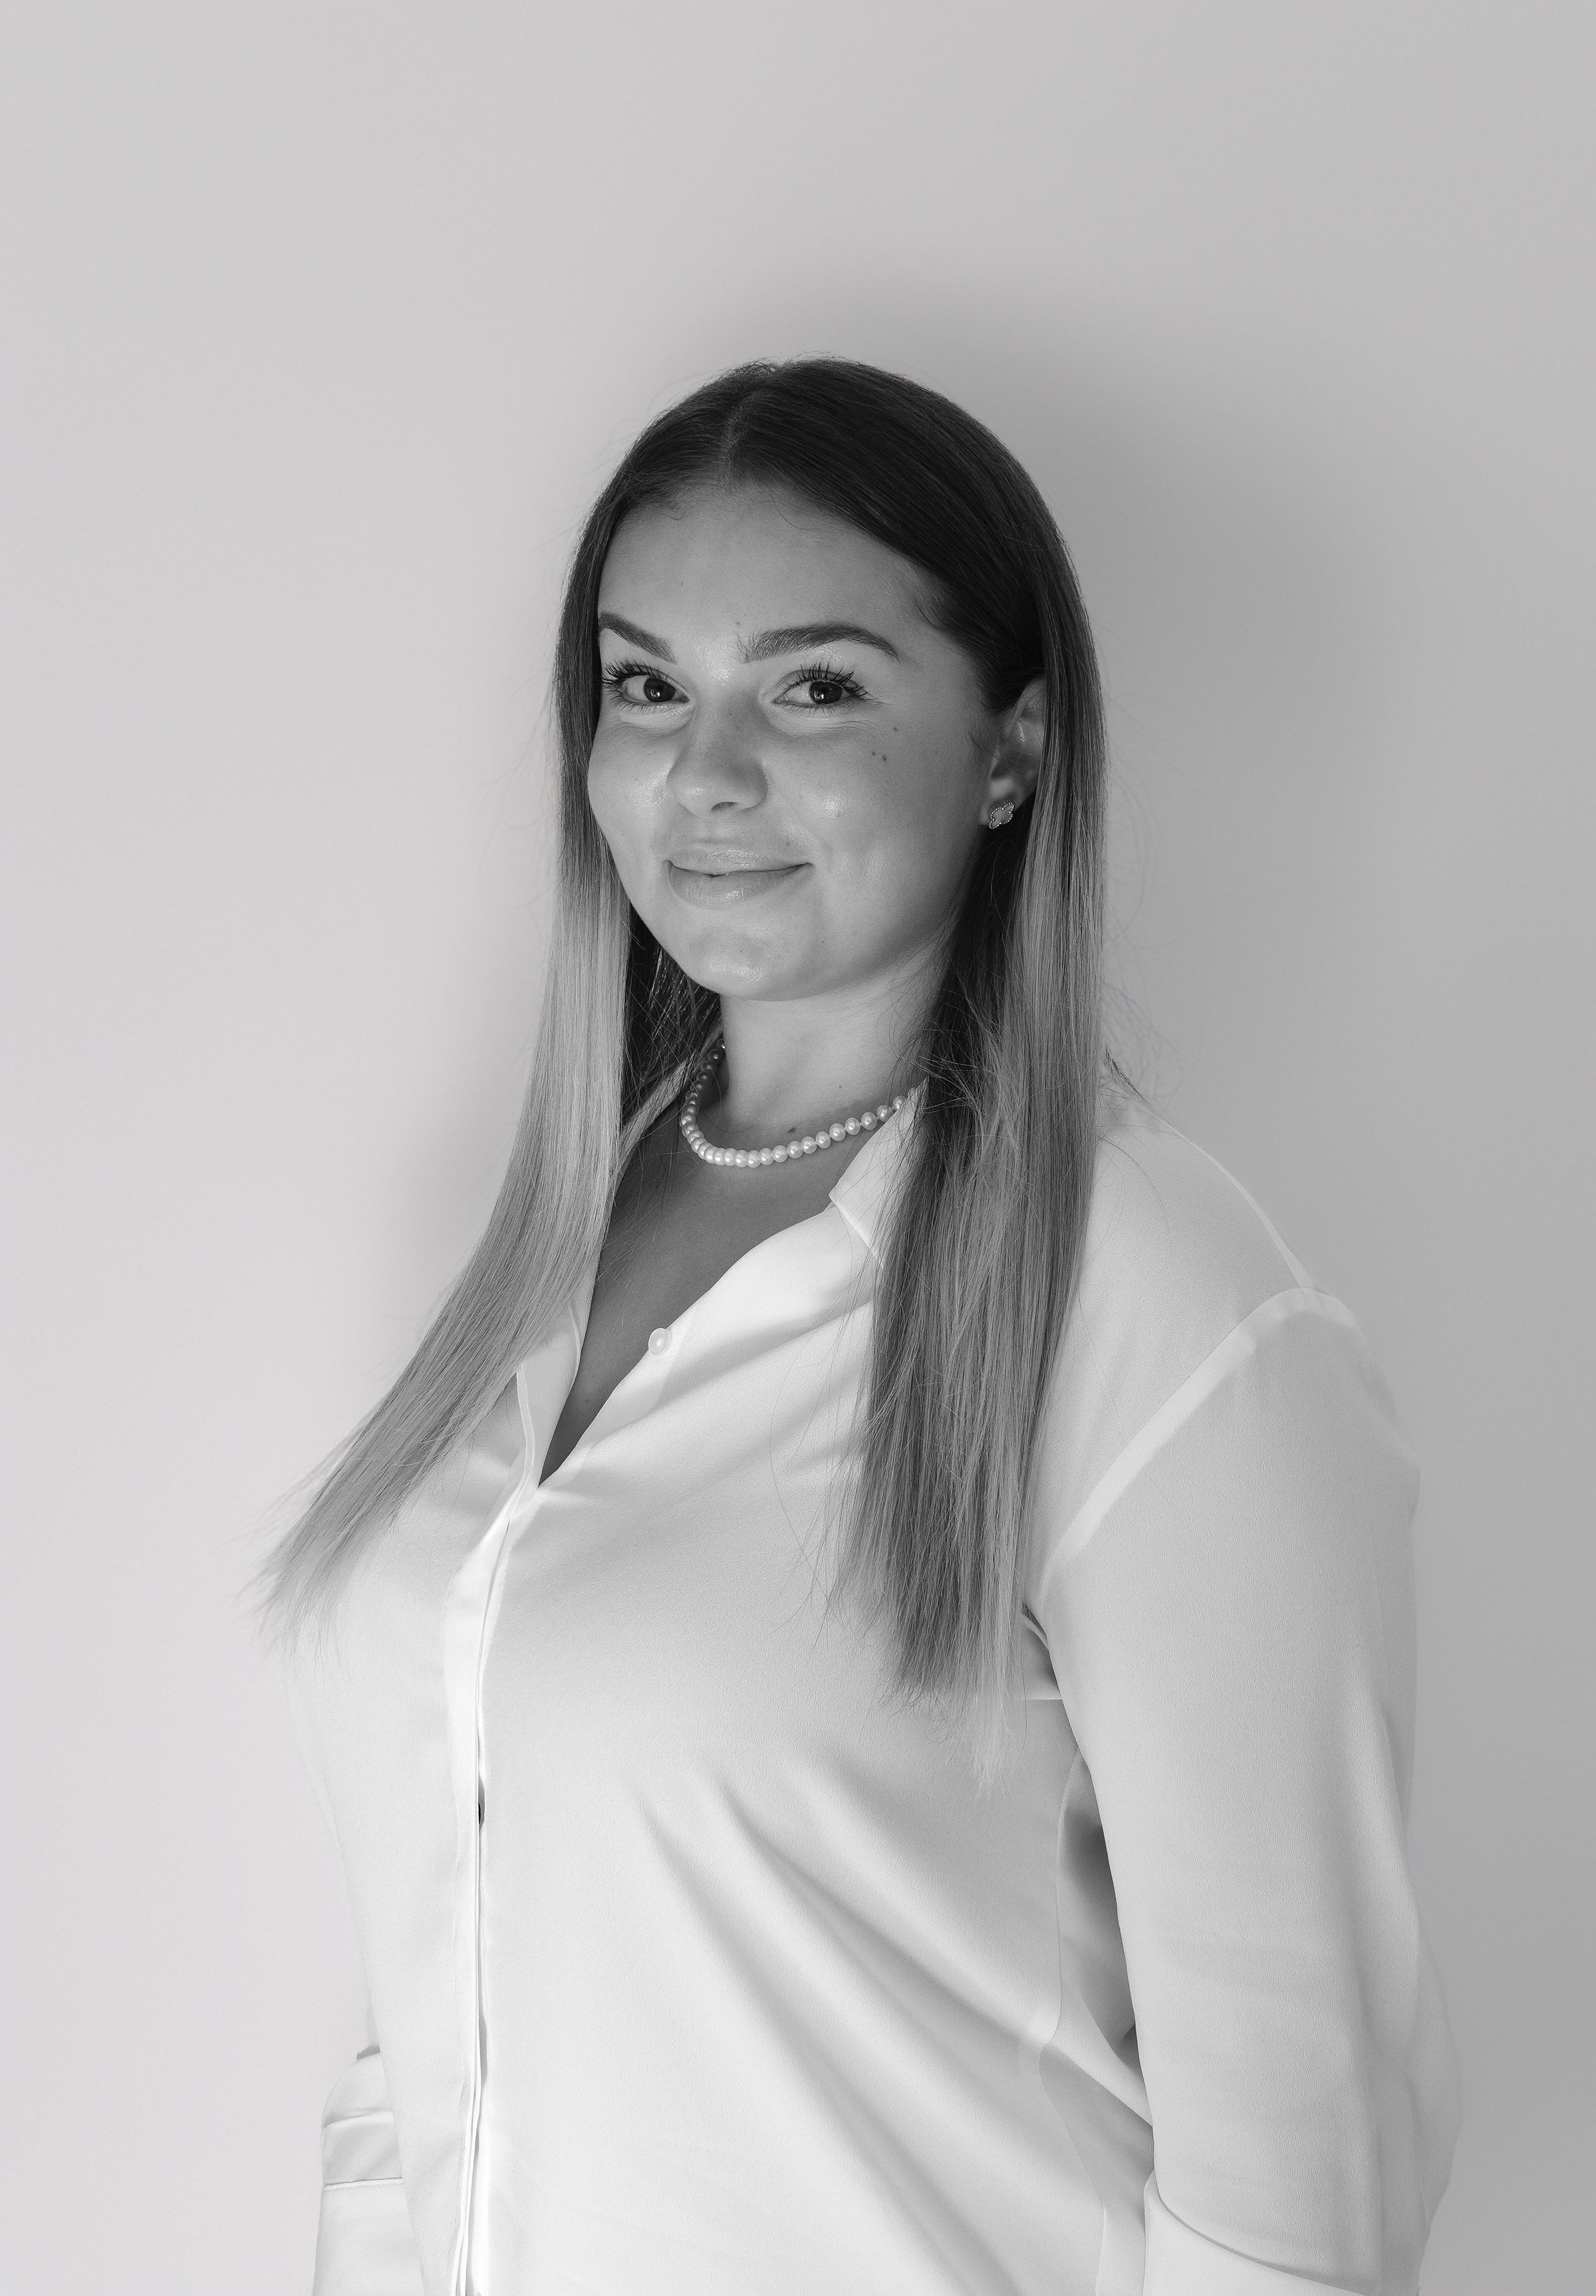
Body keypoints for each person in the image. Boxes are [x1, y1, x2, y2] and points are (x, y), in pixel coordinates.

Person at [253, 357, 1460, 2295]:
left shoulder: (1141, 1290)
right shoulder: (545, 1249)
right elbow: (441, 2004)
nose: (706, 775)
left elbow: (1299, 2155)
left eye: (814, 688)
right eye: (647, 686)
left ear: (1011, 749)